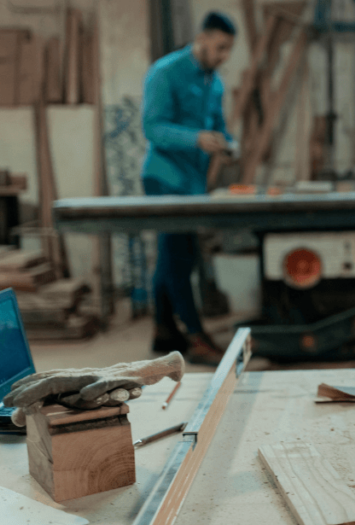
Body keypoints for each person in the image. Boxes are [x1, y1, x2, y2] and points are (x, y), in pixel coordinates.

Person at [140, 11, 237, 364]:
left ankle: (163, 331)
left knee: (172, 254)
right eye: (221, 47)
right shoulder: (165, 72)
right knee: (180, 258)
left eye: (229, 50)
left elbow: (222, 128)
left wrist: (228, 145)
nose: (224, 56)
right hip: (164, 177)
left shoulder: (215, 83)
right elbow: (152, 128)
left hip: (193, 183)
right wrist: (196, 139)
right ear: (203, 38)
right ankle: (195, 337)